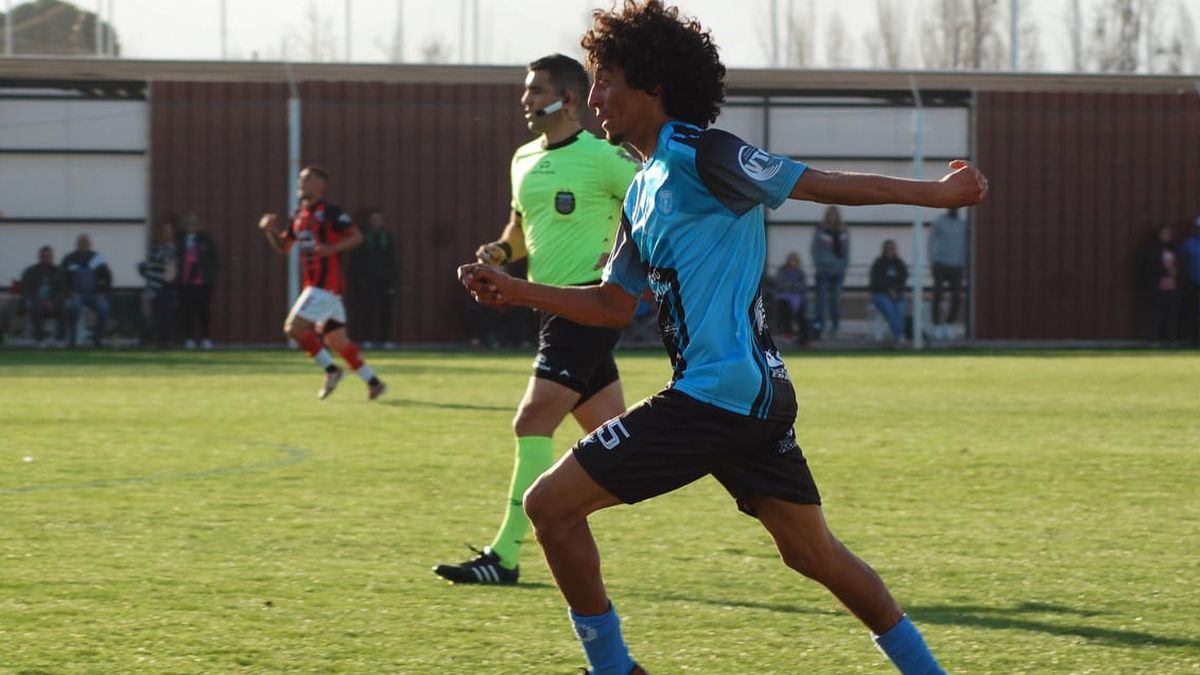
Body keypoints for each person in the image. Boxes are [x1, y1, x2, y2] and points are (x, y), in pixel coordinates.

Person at [458, 2, 987, 672]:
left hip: (719, 394)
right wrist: (518, 290)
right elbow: (614, 304)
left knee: (550, 505)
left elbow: (819, 183)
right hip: (746, 397)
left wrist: (937, 195)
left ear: (653, 85)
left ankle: (613, 667)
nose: (594, 98)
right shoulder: (642, 187)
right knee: (811, 553)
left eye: (607, 80)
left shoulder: (704, 151)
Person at [433, 53, 640, 586]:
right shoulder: (523, 158)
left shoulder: (602, 157)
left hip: (585, 307)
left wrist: (626, 262)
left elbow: (657, 201)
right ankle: (723, 457)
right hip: (549, 310)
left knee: (531, 423)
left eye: (534, 89)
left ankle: (504, 556)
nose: (525, 98)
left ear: (568, 99)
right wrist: (499, 255)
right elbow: (518, 228)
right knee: (622, 443)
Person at [258, 165, 387, 400]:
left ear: (321, 185)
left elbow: (356, 236)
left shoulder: (330, 213)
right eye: (300, 179)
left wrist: (332, 248)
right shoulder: (298, 216)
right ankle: (374, 382)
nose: (301, 183)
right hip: (317, 287)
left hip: (325, 285)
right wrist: (270, 230)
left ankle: (332, 370)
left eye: (307, 179)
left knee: (293, 328)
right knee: (337, 341)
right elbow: (284, 247)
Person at [348, 209, 397, 349]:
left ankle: (385, 340)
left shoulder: (386, 238)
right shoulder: (362, 238)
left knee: (385, 311)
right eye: (373, 219)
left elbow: (392, 260)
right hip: (367, 280)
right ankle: (367, 339)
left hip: (384, 280)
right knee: (367, 310)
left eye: (378, 219)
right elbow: (356, 261)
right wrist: (359, 279)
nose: (376, 222)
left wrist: (391, 280)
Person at [177, 212, 220, 350]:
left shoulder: (205, 239)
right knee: (187, 311)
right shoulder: (181, 240)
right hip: (186, 281)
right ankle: (189, 339)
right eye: (189, 224)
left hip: (202, 282)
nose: (191, 227)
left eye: (194, 224)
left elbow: (214, 259)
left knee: (204, 311)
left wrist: (211, 276)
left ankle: (206, 338)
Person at [61, 234, 112, 348]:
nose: (83, 245)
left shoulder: (97, 258)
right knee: (74, 308)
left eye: (85, 243)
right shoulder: (69, 259)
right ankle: (72, 341)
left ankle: (97, 338)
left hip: (94, 294)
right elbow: (62, 278)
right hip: (76, 294)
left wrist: (103, 292)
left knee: (104, 309)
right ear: (77, 245)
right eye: (81, 243)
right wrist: (68, 292)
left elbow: (108, 277)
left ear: (90, 245)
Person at [810, 205, 849, 340]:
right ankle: (821, 327)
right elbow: (815, 249)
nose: (832, 217)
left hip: (838, 271)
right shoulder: (820, 230)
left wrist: (843, 267)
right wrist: (819, 264)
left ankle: (836, 327)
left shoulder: (843, 230)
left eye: (835, 214)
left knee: (836, 301)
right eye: (830, 214)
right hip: (823, 271)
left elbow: (846, 251)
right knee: (821, 301)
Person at [138, 220, 179, 347]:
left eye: (169, 230)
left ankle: (165, 340)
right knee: (146, 310)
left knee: (167, 310)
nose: (167, 233)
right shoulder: (154, 246)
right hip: (152, 285)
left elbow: (172, 267)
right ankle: (147, 339)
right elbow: (151, 263)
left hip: (166, 285)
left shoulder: (174, 247)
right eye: (165, 230)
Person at [929, 207, 967, 341]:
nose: (954, 209)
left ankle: (949, 325)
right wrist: (932, 261)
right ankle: (937, 325)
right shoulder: (939, 222)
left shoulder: (963, 224)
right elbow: (931, 241)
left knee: (956, 296)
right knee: (938, 294)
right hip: (940, 263)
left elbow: (966, 244)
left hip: (957, 266)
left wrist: (965, 263)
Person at [21, 245, 67, 346]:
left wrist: (53, 301)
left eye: (48, 256)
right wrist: (41, 301)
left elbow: (63, 290)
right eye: (44, 256)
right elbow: (26, 290)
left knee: (65, 307)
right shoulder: (31, 271)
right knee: (35, 307)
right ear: (39, 257)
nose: (46, 258)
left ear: (52, 257)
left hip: (54, 303)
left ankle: (60, 339)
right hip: (37, 302)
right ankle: (40, 339)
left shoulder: (59, 271)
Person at [1143, 224, 1180, 345]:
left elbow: (1179, 263)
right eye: (1165, 233)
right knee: (1156, 313)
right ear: (1159, 234)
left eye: (1169, 233)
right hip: (1158, 286)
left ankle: (1170, 339)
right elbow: (1149, 266)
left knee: (1171, 313)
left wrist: (1177, 272)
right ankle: (1152, 339)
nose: (1168, 235)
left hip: (1172, 285)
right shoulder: (1152, 248)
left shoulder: (1172, 248)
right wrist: (1165, 271)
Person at [869, 239, 909, 347]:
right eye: (887, 248)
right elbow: (875, 282)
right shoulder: (878, 263)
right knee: (890, 311)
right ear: (883, 249)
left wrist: (895, 291)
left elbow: (902, 280)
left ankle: (900, 336)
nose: (889, 250)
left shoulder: (900, 264)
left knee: (899, 312)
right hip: (880, 294)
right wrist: (889, 290)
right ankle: (900, 336)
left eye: (892, 248)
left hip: (897, 294)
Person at [773, 251, 808, 346]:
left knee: (802, 317)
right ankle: (788, 332)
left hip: (797, 298)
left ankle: (803, 341)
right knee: (784, 309)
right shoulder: (782, 271)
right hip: (784, 297)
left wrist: (791, 285)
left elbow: (803, 287)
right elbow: (779, 284)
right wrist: (791, 286)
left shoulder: (800, 273)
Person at [1179, 216, 1200, 347]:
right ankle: (1196, 340)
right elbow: (1180, 262)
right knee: (1195, 313)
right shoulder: (1188, 244)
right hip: (1195, 285)